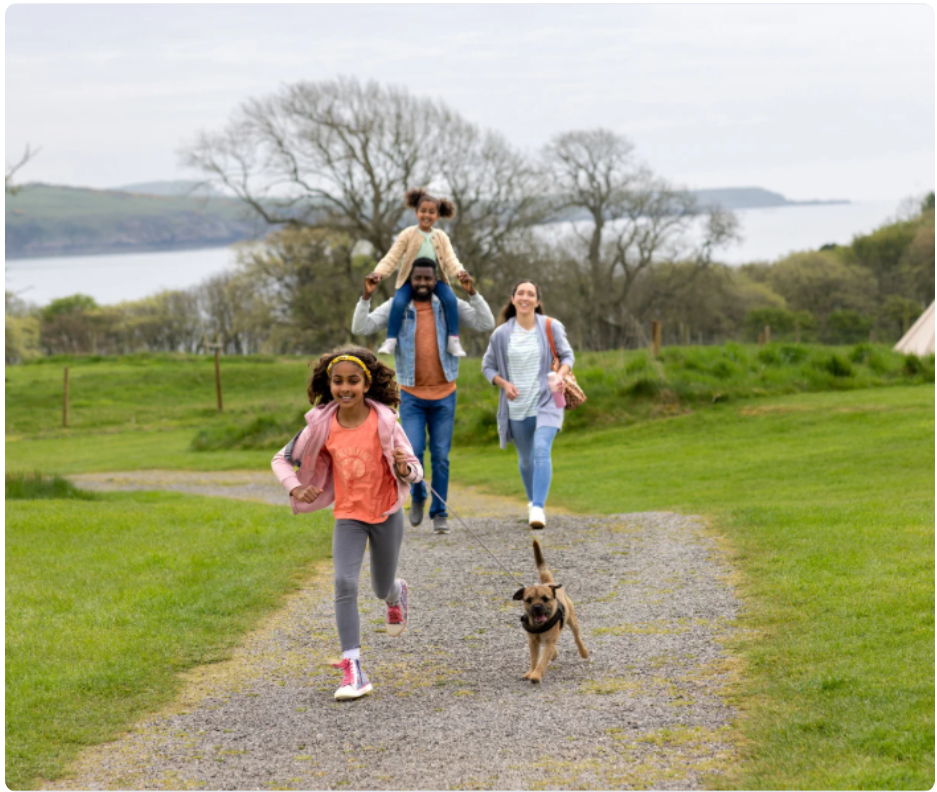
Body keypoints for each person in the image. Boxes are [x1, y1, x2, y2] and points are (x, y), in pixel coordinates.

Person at [271, 345, 423, 701]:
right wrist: (296, 488)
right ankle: (353, 667)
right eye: (337, 381)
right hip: (349, 516)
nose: (345, 388)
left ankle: (396, 593)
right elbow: (281, 459)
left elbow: (415, 470)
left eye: (353, 381)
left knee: (379, 586)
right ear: (329, 385)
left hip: (386, 513)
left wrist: (405, 468)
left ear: (366, 384)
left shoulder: (385, 420)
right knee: (343, 581)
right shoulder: (321, 424)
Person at [352, 257, 496, 534]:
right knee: (413, 452)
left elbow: (485, 322)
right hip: (411, 397)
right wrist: (366, 296)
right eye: (417, 278)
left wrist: (472, 292)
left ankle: (439, 512)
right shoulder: (398, 307)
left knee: (441, 456)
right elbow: (361, 328)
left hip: (444, 395)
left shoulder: (447, 305)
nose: (422, 283)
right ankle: (418, 497)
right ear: (409, 279)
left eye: (428, 279)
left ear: (435, 280)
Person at [481, 280, 574, 530]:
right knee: (525, 460)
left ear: (537, 301)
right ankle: (532, 501)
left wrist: (561, 375)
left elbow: (567, 356)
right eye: (520, 293)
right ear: (513, 299)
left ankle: (538, 508)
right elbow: (487, 366)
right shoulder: (501, 334)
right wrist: (503, 383)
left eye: (530, 294)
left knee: (542, 449)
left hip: (548, 401)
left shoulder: (550, 326)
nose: (525, 297)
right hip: (517, 407)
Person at [367, 188, 473, 358]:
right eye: (423, 211)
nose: (427, 215)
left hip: (435, 280)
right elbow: (392, 256)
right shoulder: (408, 234)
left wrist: (459, 272)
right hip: (410, 281)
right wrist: (379, 273)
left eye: (432, 212)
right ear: (416, 212)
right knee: (399, 302)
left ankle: (453, 339)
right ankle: (391, 340)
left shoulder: (441, 236)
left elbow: (450, 259)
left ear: (437, 215)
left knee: (451, 300)